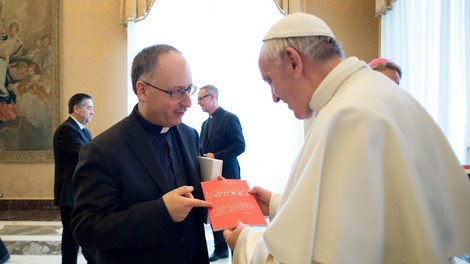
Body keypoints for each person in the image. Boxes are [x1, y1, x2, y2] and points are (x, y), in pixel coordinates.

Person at [223, 13, 470, 263]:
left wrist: (245, 242)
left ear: (293, 62)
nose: (274, 97)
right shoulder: (374, 93)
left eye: (270, 80)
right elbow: (365, 214)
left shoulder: (348, 115)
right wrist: (278, 203)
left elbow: (331, 255)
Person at [71, 44, 213, 264]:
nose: (188, 102)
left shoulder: (189, 135)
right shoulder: (103, 150)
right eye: (176, 92)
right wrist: (161, 212)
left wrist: (215, 193)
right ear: (142, 90)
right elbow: (87, 229)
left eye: (189, 89)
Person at [198, 84, 246, 261]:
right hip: (210, 177)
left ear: (212, 98)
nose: (198, 103)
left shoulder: (230, 118)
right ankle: (220, 249)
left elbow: (240, 146)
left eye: (200, 99)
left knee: (230, 216)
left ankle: (236, 253)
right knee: (214, 213)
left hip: (228, 175)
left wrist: (215, 155)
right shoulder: (205, 124)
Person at [53, 93, 96, 264]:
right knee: (71, 236)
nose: (92, 112)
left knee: (82, 232)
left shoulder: (84, 131)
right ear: (76, 108)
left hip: (82, 192)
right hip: (71, 193)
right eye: (89, 108)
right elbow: (84, 154)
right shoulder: (66, 130)